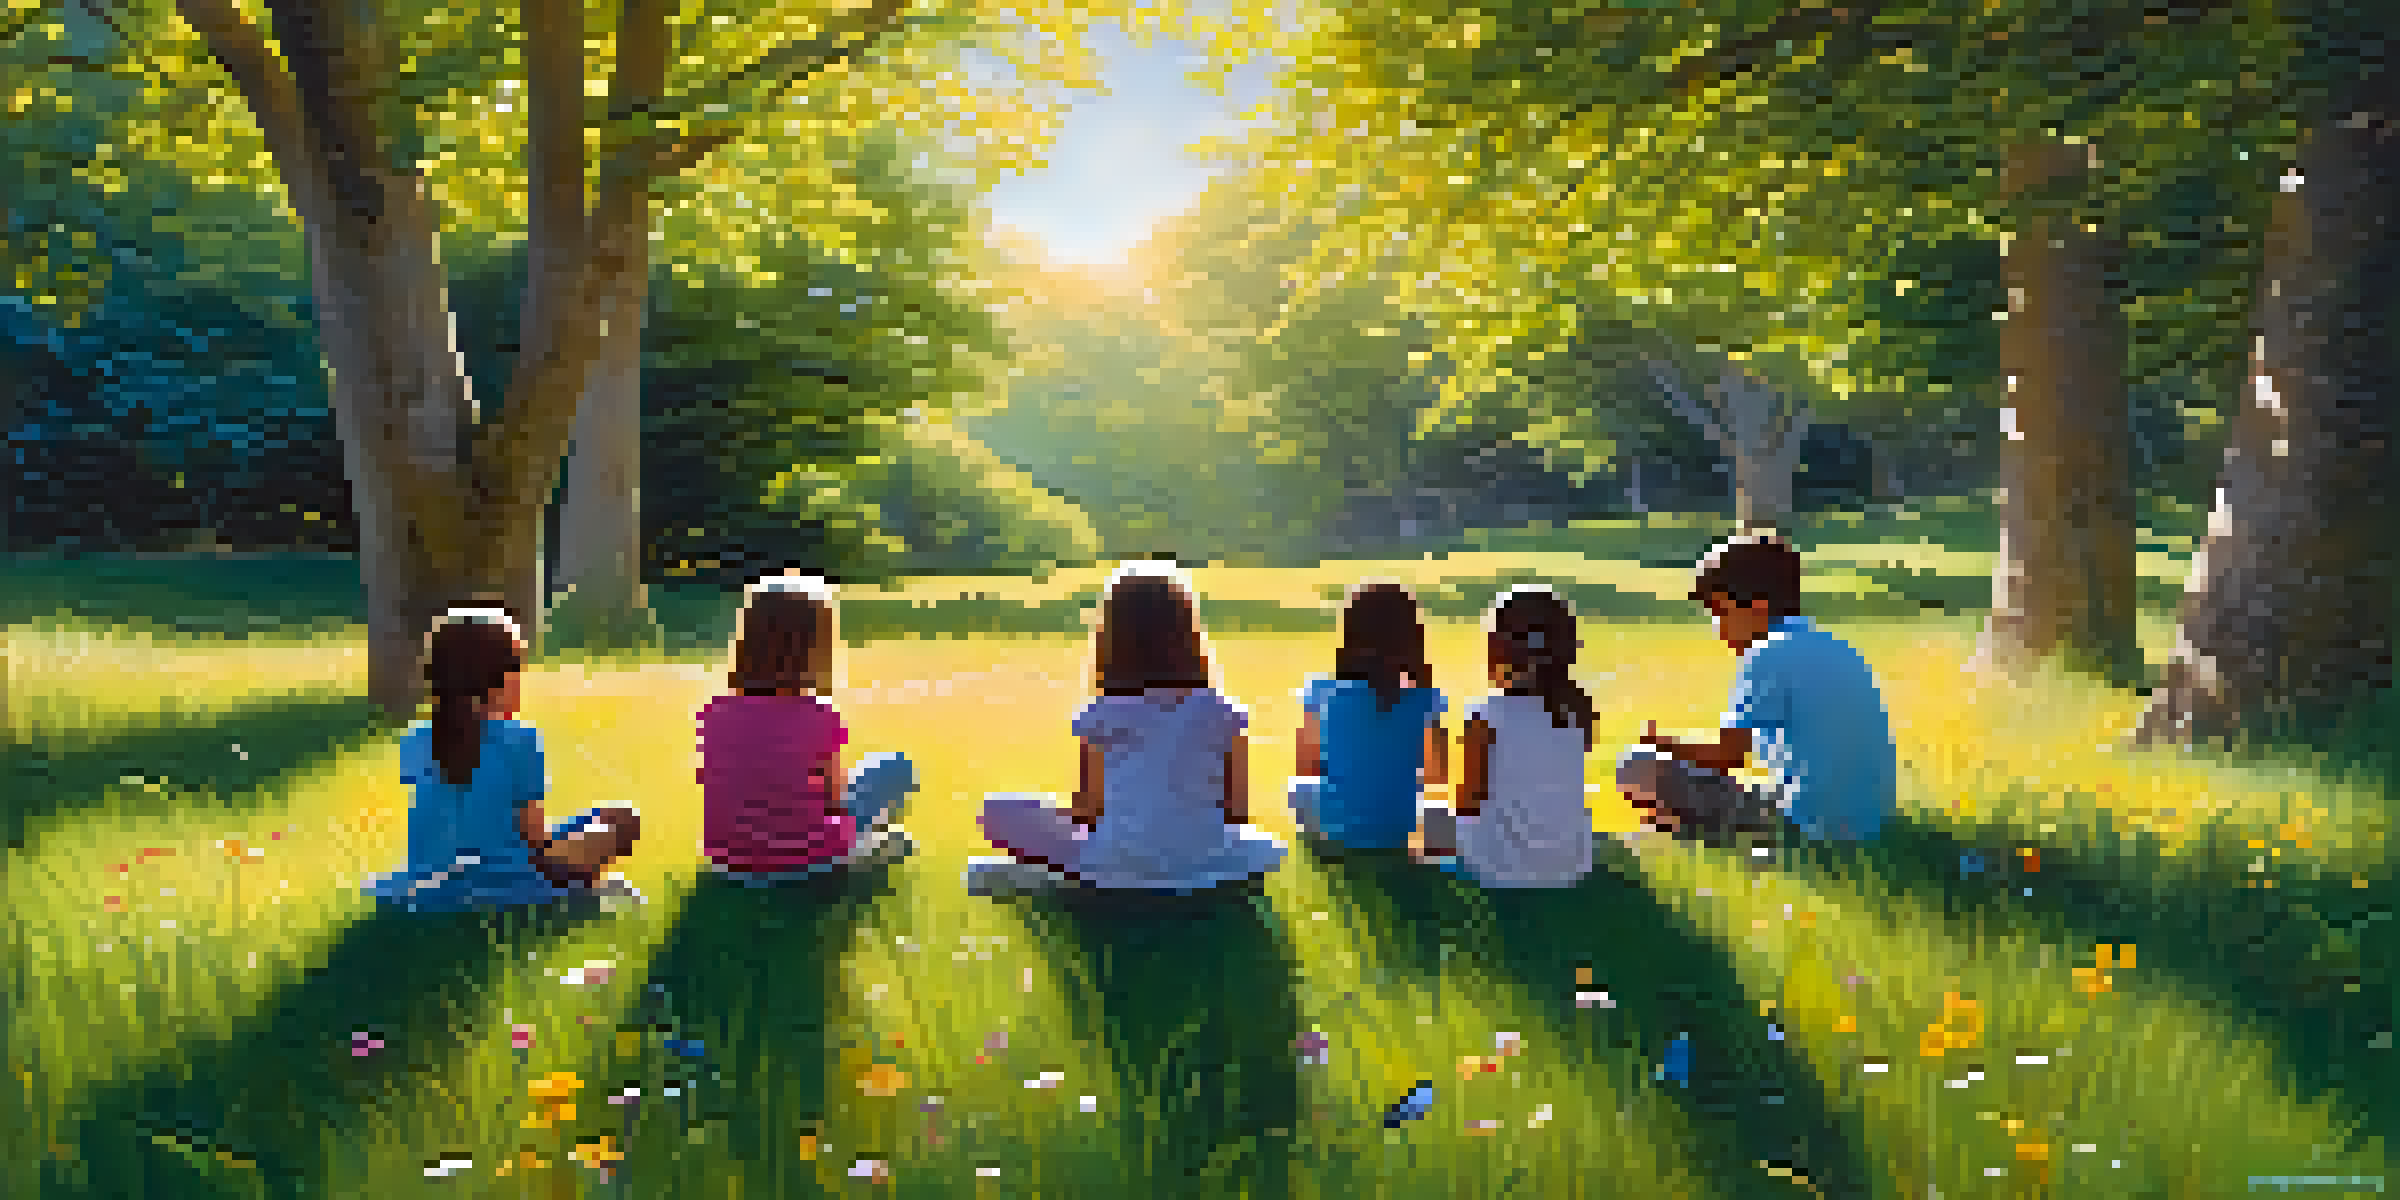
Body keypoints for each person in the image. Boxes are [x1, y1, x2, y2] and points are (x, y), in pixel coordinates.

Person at [969, 561, 1287, 896]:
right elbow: (1236, 812)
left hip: (1117, 859)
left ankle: (1061, 878)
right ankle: (1192, 876)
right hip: (1204, 857)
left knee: (997, 809)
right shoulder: (1222, 711)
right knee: (1260, 845)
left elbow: (1089, 812)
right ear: (1188, 635)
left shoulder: (1101, 713)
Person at [1617, 533, 1897, 847]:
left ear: (1758, 609)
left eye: (1720, 612)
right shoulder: (1834, 645)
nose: (1716, 626)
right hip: (1870, 824)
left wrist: (1666, 743)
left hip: (1810, 827)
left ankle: (1679, 840)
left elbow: (1727, 757)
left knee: (1638, 764)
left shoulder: (1765, 653)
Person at [365, 609, 642, 912]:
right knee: (621, 825)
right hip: (504, 879)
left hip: (429, 879)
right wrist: (581, 860)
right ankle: (580, 888)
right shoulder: (519, 739)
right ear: (499, 679)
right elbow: (537, 844)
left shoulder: (416, 738)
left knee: (611, 818)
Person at [696, 572, 917, 886]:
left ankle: (869, 846)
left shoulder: (714, 713)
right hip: (807, 859)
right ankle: (867, 848)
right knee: (896, 768)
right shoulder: (820, 715)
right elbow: (834, 799)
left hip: (727, 860)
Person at [1410, 586, 1596, 888]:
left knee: (1425, 813)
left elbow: (1467, 803)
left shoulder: (1486, 715)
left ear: (1497, 649)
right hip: (1571, 866)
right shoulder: (1579, 712)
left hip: (1497, 867)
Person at [1288, 580, 1448, 854]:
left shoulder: (1320, 692)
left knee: (1299, 787)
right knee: (1439, 809)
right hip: (1397, 827)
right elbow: (1438, 775)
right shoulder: (1425, 699)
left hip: (1333, 825)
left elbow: (1306, 767)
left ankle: (1321, 847)